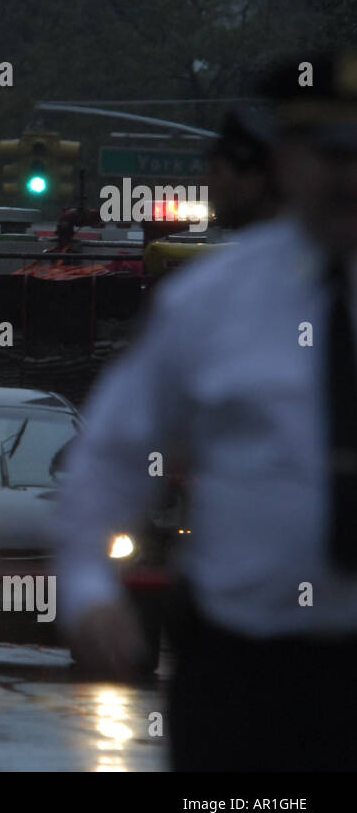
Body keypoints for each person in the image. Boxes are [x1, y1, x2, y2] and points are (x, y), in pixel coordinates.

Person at [53, 47, 357, 771]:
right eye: (327, 152)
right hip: (241, 674)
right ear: (286, 163)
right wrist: (91, 589)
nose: (346, 176)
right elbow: (110, 458)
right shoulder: (206, 303)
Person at [206, 103, 280, 231]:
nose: (205, 182)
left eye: (216, 172)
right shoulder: (316, 243)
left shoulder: (243, 250)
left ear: (253, 180)